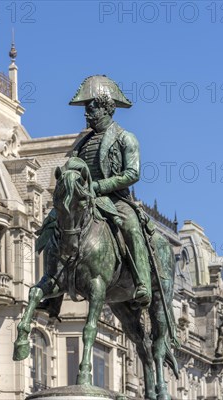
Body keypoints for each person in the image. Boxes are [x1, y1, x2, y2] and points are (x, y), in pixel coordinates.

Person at [68, 76, 152, 308]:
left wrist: (99, 186)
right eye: (85, 108)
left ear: (106, 108)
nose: (86, 113)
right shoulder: (82, 143)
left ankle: (142, 283)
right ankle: (54, 291)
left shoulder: (126, 138)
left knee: (132, 228)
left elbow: (132, 174)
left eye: (91, 107)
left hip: (115, 199)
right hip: (86, 199)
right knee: (54, 225)